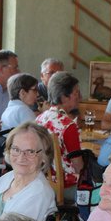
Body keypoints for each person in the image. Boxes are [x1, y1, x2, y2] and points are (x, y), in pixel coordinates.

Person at [36, 71, 84, 200]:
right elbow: (78, 166)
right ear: (64, 97)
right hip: (64, 186)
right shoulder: (68, 125)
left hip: (41, 181)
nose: (79, 97)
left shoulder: (39, 119)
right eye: (76, 93)